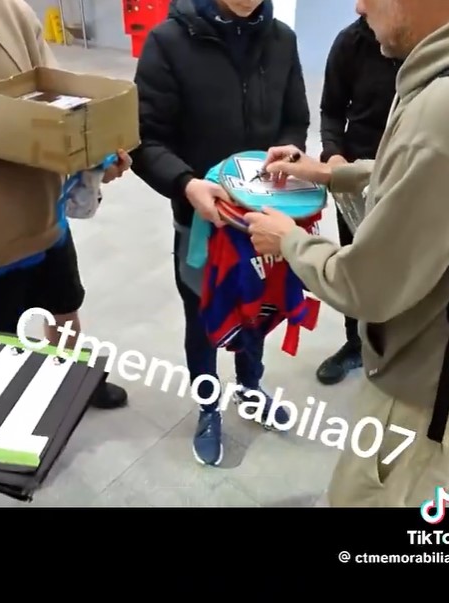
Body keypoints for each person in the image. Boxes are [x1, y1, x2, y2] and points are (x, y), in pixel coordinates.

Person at [244, 0, 449, 507]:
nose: (358, 5)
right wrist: (328, 170)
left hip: (426, 384)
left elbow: (366, 286)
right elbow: (419, 167)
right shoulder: (448, 74)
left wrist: (288, 238)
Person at [131, 0, 310, 466]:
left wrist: (291, 150)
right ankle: (209, 405)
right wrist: (186, 183)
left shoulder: (282, 39)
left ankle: (250, 388)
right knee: (204, 317)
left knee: (259, 309)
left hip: (264, 219)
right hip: (201, 222)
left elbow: (295, 118)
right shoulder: (168, 42)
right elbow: (144, 136)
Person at [0, 0, 131, 409]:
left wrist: (96, 156)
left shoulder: (10, 11)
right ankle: (8, 423)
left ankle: (72, 381)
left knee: (64, 308)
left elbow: (58, 99)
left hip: (46, 213)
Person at [316, 15, 401, 386]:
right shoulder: (350, 42)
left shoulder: (429, 43)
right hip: (354, 179)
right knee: (356, 264)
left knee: (408, 266)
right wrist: (333, 156)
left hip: (410, 173)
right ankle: (355, 342)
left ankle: (399, 348)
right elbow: (331, 110)